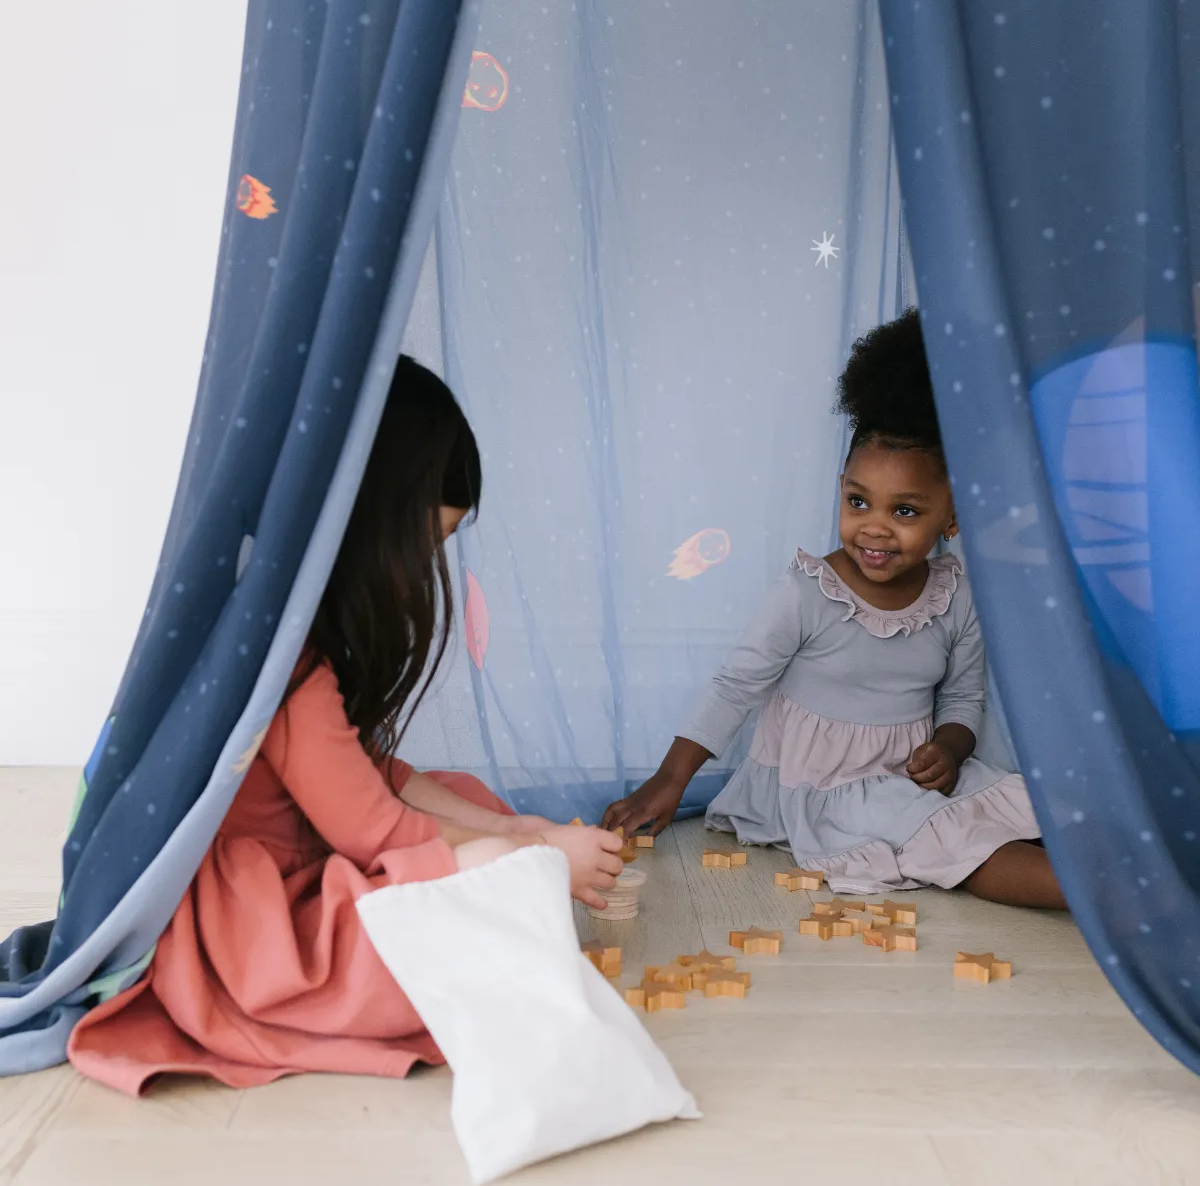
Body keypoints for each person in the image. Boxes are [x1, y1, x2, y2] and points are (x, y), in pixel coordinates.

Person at [68, 356, 623, 1096]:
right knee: (493, 871)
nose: (425, 575)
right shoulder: (286, 658)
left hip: (294, 860)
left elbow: (374, 777)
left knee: (465, 801)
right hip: (255, 934)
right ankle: (491, 908)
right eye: (425, 547)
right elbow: (377, 833)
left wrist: (521, 832)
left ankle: (502, 879)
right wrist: (538, 854)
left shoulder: (288, 635)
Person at [603, 311, 1065, 909]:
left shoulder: (957, 596)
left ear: (950, 520)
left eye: (905, 511)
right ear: (841, 488)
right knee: (953, 840)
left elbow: (961, 699)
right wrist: (671, 780)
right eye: (858, 500)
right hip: (823, 788)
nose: (874, 526)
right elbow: (735, 687)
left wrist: (950, 750)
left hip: (908, 771)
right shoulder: (808, 592)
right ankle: (1116, 900)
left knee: (1030, 803)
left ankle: (1137, 865)